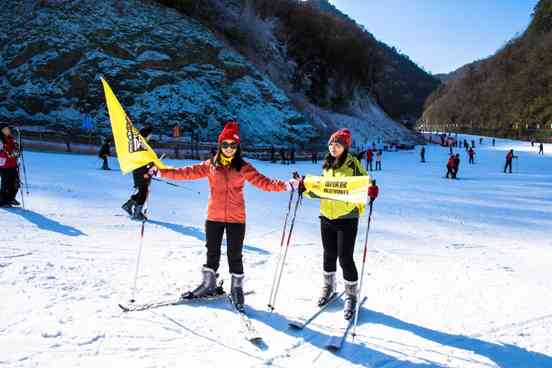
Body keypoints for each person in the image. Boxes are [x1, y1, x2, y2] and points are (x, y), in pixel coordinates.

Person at [150, 121, 296, 312]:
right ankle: (208, 285)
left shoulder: (243, 167)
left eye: (233, 145)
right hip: (214, 217)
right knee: (212, 253)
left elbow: (264, 182)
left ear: (237, 147)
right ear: (220, 146)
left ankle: (237, 289)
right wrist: (161, 171)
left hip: (236, 218)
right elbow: (185, 172)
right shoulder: (211, 165)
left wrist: (286, 185)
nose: (229, 149)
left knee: (235, 255)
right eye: (225, 145)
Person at [313, 128, 371, 320]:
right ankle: (328, 286)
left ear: (345, 147)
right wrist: (306, 186)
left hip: (346, 217)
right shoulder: (327, 164)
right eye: (331, 144)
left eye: (338, 145)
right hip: (326, 215)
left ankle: (351, 295)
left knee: (344, 257)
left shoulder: (352, 163)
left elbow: (365, 183)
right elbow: (322, 186)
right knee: (328, 254)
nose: (333, 148)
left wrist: (371, 190)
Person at [121, 126, 154, 221]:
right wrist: (147, 169)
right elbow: (142, 159)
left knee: (142, 191)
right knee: (144, 192)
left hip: (139, 170)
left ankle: (128, 205)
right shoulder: (142, 144)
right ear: (146, 134)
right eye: (150, 134)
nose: (151, 136)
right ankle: (137, 213)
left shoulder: (139, 142)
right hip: (141, 171)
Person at [0, 124, 20, 207]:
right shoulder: (1, 140)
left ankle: (11, 198)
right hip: (4, 165)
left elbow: (15, 150)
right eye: (5, 129)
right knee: (6, 183)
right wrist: (10, 154)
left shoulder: (12, 139)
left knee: (15, 182)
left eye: (8, 129)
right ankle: (2, 201)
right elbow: (2, 153)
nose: (7, 131)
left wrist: (18, 149)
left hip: (13, 164)